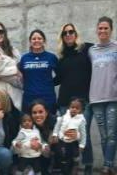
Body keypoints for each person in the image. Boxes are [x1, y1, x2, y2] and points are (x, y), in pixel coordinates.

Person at [55, 23, 93, 175]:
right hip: (64, 102)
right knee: (68, 136)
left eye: (71, 32)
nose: (68, 35)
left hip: (83, 102)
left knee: (84, 134)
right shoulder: (62, 58)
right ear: (62, 37)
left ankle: (88, 165)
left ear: (76, 34)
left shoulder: (86, 49)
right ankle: (72, 166)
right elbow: (57, 79)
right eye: (65, 33)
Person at [89, 16, 117, 175]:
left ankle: (107, 166)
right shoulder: (92, 50)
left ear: (111, 30)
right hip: (96, 98)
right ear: (96, 30)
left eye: (106, 28)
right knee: (104, 135)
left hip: (113, 97)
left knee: (112, 134)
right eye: (100, 28)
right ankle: (110, 165)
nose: (103, 31)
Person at [19, 29, 58, 114]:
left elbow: (60, 76)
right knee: (28, 126)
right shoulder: (24, 58)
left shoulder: (51, 57)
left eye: (39, 38)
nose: (36, 41)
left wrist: (48, 84)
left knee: (49, 125)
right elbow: (20, 77)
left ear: (44, 41)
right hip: (29, 98)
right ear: (30, 41)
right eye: (34, 39)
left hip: (48, 98)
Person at [51, 98, 86, 175]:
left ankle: (74, 166)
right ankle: (57, 167)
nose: (74, 109)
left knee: (74, 155)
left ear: (81, 110)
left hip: (73, 142)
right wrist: (55, 134)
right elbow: (57, 125)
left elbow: (83, 134)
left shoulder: (81, 120)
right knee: (59, 153)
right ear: (69, 108)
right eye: (72, 107)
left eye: (77, 108)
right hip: (61, 140)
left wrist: (82, 145)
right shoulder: (64, 117)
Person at [29, 99, 56, 175]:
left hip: (54, 155)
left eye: (41, 112)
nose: (37, 115)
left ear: (46, 112)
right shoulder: (27, 125)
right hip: (38, 157)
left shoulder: (56, 122)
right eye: (34, 113)